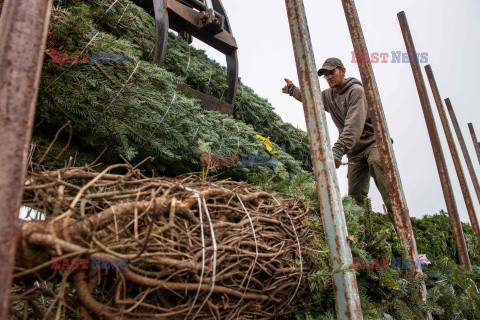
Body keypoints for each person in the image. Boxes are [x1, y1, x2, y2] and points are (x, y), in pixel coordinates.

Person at [282, 57, 392, 213]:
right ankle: (365, 229)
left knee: (380, 169)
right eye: (325, 75)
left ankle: (399, 221)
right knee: (354, 199)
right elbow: (312, 100)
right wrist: (293, 90)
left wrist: (339, 150)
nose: (328, 77)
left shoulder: (356, 91)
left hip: (373, 143)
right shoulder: (328, 95)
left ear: (343, 71)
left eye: (332, 72)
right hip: (354, 151)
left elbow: (353, 125)